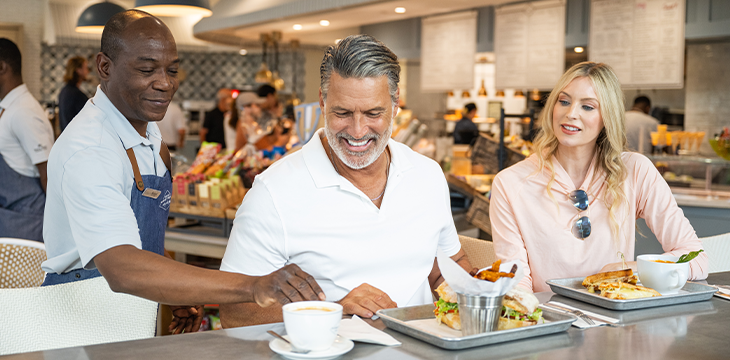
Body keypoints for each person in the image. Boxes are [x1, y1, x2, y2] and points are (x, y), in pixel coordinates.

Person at [41, 10, 325, 334]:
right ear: (104, 67)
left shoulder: (148, 133)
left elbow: (136, 237)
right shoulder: (90, 149)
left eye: (172, 70)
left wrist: (175, 288)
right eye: (147, 69)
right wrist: (253, 287)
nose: (164, 83)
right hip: (76, 327)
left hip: (129, 317)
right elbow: (121, 267)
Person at [219, 34, 474, 327]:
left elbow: (445, 271)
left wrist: (477, 296)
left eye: (373, 113)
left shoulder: (427, 174)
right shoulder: (273, 192)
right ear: (322, 102)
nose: (357, 130)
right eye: (342, 113)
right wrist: (332, 310)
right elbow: (235, 313)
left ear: (395, 104)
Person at [489, 62, 708, 293]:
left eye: (588, 106)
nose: (570, 113)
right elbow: (516, 282)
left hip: (616, 323)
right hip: (549, 320)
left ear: (607, 117)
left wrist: (636, 270)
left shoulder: (635, 170)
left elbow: (695, 258)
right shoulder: (510, 183)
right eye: (563, 101)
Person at [0, 38, 55, 242]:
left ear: (2, 67)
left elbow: (48, 174)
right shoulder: (10, 108)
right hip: (12, 217)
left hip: (28, 224)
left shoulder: (23, 112)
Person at [58, 56, 90, 132]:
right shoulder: (77, 95)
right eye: (85, 68)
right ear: (78, 70)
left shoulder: (64, 91)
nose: (87, 71)